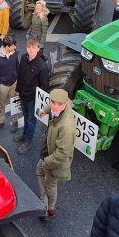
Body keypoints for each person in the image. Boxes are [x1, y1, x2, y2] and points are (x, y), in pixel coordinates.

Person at [36, 88, 75, 220]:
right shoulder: (59, 104)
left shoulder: (67, 126)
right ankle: (44, 201)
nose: (55, 107)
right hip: (49, 147)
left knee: (50, 183)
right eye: (53, 103)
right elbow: (54, 104)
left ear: (65, 105)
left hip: (56, 161)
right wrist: (45, 110)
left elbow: (63, 153)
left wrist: (46, 163)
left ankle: (49, 209)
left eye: (59, 104)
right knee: (40, 172)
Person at [15, 39, 49, 154]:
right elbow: (20, 75)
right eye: (29, 47)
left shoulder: (42, 66)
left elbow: (44, 87)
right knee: (25, 116)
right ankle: (24, 134)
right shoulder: (24, 58)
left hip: (33, 99)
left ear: (38, 49)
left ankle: (28, 141)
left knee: (31, 120)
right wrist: (17, 90)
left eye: (34, 47)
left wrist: (37, 102)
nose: (31, 50)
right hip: (23, 95)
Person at [0, 36, 18, 131]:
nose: (15, 47)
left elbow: (17, 67)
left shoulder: (14, 54)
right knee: (2, 104)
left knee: (15, 103)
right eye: (13, 46)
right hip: (3, 86)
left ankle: (15, 121)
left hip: (14, 83)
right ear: (7, 47)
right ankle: (1, 121)